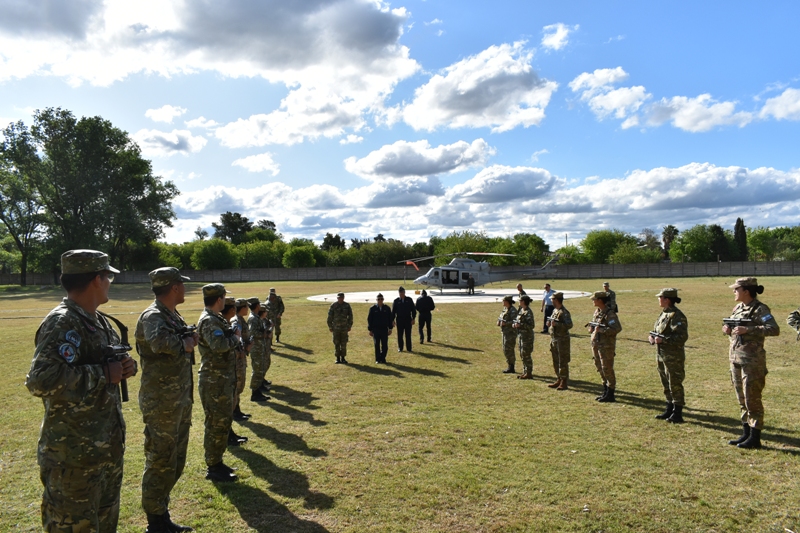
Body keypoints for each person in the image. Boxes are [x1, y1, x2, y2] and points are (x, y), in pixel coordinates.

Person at [26, 249, 137, 532]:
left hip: (103, 451)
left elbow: (106, 365)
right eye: (108, 276)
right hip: (73, 459)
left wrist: (124, 367)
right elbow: (40, 380)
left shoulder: (97, 320)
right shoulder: (63, 321)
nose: (111, 282)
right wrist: (102, 374)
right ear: (96, 280)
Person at [135, 267, 196, 533]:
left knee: (175, 459)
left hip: (177, 398)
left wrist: (188, 338)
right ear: (173, 287)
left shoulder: (171, 314)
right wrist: (185, 343)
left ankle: (162, 514)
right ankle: (156, 521)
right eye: (182, 284)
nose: (185, 288)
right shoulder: (153, 315)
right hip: (161, 402)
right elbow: (158, 342)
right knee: (161, 459)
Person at [723, 277, 780, 449]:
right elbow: (735, 330)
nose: (734, 292)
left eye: (736, 289)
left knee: (752, 398)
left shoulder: (760, 309)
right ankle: (746, 433)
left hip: (752, 362)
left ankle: (755, 437)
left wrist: (749, 329)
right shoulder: (738, 308)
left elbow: (774, 329)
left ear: (746, 291)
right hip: (736, 359)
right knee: (741, 398)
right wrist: (728, 330)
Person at [197, 284, 239, 482]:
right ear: (219, 299)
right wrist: (235, 339)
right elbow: (219, 345)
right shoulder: (209, 321)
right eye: (223, 297)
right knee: (216, 424)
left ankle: (217, 461)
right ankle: (213, 466)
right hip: (214, 381)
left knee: (222, 422)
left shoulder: (216, 319)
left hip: (221, 379)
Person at [648, 288, 689, 424]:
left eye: (661, 297)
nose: (659, 299)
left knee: (674, 383)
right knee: (666, 382)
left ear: (667, 299)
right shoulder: (664, 313)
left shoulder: (677, 315)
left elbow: (682, 337)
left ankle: (677, 413)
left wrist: (663, 340)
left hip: (673, 356)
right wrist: (652, 336)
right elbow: (657, 330)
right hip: (662, 354)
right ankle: (669, 408)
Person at [587, 291, 622, 402]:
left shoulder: (610, 314)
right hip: (597, 344)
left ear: (601, 300)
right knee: (600, 367)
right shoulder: (597, 312)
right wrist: (592, 329)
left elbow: (616, 329)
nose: (593, 301)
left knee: (607, 368)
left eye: (595, 299)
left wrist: (601, 330)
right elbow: (595, 325)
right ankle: (605, 390)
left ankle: (610, 392)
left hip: (606, 346)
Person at [223, 297, 248, 447]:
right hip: (222, 372)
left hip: (230, 367)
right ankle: (227, 435)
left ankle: (229, 432)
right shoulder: (230, 322)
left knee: (233, 397)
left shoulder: (226, 322)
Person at [231, 298, 253, 420]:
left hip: (242, 355)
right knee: (237, 385)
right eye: (246, 307)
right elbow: (237, 340)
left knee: (239, 386)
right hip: (238, 357)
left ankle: (237, 410)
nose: (248, 309)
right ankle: (235, 411)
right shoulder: (236, 321)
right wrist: (245, 349)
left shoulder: (240, 320)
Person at [547, 292, 573, 390]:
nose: (551, 301)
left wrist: (556, 325)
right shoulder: (555, 310)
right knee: (556, 360)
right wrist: (549, 324)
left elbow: (569, 325)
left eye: (552, 299)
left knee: (563, 361)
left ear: (557, 300)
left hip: (562, 340)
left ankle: (564, 381)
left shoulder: (564, 312)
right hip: (554, 339)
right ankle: (558, 378)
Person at [246, 297, 270, 402]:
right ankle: (255, 393)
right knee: (257, 370)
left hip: (259, 346)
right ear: (257, 306)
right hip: (256, 348)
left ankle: (258, 388)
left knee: (260, 369)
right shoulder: (253, 318)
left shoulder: (255, 317)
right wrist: (264, 334)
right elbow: (252, 332)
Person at [327, 292, 353, 363]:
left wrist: (349, 325)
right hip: (336, 328)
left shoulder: (347, 306)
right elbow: (330, 317)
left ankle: (343, 358)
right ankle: (337, 358)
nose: (340, 299)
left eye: (341, 297)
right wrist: (330, 326)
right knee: (336, 343)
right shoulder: (334, 305)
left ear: (343, 298)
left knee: (344, 343)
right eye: (338, 297)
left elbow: (350, 316)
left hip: (344, 328)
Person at [513, 294, 535, 379]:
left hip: (527, 336)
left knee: (526, 354)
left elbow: (531, 325)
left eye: (520, 300)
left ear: (523, 302)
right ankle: (525, 371)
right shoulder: (521, 310)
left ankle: (529, 372)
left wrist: (520, 325)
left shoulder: (528, 312)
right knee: (522, 354)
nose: (519, 302)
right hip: (521, 335)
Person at [368, 293, 393, 363]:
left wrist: (390, 328)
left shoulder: (387, 308)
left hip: (384, 329)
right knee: (377, 345)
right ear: (376, 300)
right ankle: (378, 359)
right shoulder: (372, 309)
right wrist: (370, 329)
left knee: (385, 346)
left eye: (381, 299)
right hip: (376, 329)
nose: (380, 300)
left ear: (383, 299)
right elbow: (370, 319)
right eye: (378, 299)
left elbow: (390, 319)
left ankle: (383, 357)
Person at [497, 295, 518, 374]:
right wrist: (499, 321)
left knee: (509, 349)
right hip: (505, 332)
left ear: (507, 302)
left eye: (504, 301)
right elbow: (501, 318)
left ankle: (511, 366)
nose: (502, 302)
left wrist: (506, 323)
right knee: (505, 349)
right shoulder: (505, 309)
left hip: (511, 333)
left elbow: (515, 321)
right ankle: (509, 365)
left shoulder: (513, 310)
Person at [392, 286, 416, 352]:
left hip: (408, 319)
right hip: (399, 320)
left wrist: (413, 318)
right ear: (399, 293)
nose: (401, 294)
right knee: (400, 335)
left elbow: (413, 310)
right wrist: (392, 320)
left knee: (408, 334)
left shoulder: (409, 300)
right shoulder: (396, 301)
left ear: (404, 293)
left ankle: (409, 348)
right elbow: (393, 312)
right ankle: (400, 347)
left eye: (402, 292)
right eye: (400, 292)